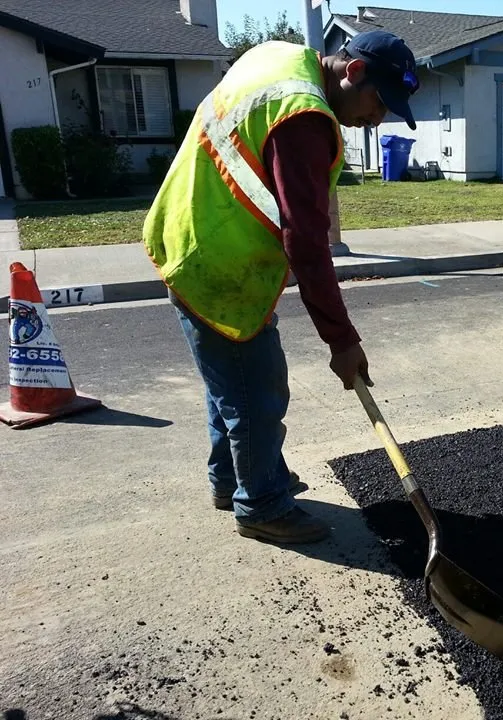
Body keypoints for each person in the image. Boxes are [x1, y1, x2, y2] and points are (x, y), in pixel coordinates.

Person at [142, 31, 420, 544]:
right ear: (352, 73)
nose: (376, 120)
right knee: (257, 389)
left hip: (193, 235)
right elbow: (307, 242)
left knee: (229, 382)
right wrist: (341, 340)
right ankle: (262, 504)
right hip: (220, 261)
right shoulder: (305, 117)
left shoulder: (280, 56)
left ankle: (234, 479)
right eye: (379, 103)